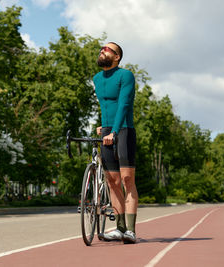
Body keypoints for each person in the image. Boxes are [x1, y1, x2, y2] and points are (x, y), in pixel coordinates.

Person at [93, 42, 138, 244]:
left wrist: (115, 130)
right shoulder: (97, 78)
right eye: (102, 48)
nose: (103, 50)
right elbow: (104, 106)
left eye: (107, 49)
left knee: (127, 179)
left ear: (117, 56)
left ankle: (130, 230)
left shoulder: (125, 75)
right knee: (112, 181)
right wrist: (103, 127)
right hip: (107, 131)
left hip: (124, 129)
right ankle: (119, 229)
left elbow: (123, 104)